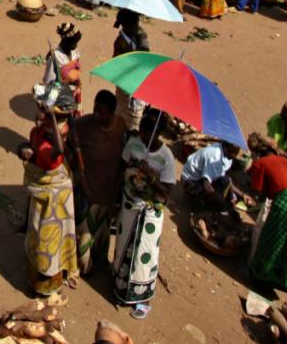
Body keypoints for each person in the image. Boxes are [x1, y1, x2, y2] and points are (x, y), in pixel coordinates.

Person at [113, 108, 175, 318]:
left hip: (150, 213)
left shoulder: (166, 157)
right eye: (142, 130)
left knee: (144, 254)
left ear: (159, 133)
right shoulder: (134, 144)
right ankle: (120, 286)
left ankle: (142, 298)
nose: (144, 136)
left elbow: (167, 194)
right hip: (129, 205)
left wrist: (151, 175)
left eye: (149, 132)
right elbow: (121, 167)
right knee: (123, 245)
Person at [18, 82, 79, 296]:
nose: (40, 110)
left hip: (53, 195)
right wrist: (26, 151)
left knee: (48, 241)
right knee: (37, 234)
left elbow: (57, 154)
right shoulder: (43, 129)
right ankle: (37, 278)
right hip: (41, 190)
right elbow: (35, 148)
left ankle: (46, 285)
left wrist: (51, 119)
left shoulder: (59, 134)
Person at [72, 90, 126, 275]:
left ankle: (99, 264)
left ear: (112, 113)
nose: (96, 115)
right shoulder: (82, 126)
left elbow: (122, 163)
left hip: (108, 195)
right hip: (87, 193)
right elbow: (70, 148)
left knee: (101, 238)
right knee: (84, 239)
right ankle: (82, 268)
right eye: (95, 109)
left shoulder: (121, 127)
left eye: (101, 112)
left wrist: (115, 198)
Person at [246, 152, 287, 292]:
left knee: (271, 241)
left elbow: (258, 191)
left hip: (286, 205)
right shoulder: (285, 161)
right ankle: (285, 281)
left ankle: (262, 280)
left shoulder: (259, 163)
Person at [112, 9, 149, 131]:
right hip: (126, 89)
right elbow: (120, 68)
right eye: (136, 22)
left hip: (135, 86)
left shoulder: (136, 37)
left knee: (131, 119)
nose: (138, 25)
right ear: (127, 25)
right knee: (129, 121)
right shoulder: (120, 43)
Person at [182, 142, 242, 210]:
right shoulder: (215, 156)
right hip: (190, 182)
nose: (234, 156)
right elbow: (206, 183)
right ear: (226, 148)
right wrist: (220, 202)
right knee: (214, 205)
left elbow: (224, 178)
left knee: (225, 180)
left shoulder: (225, 154)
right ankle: (198, 207)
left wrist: (242, 195)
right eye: (233, 153)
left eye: (236, 154)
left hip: (200, 179)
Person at [43, 22, 83, 114]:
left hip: (74, 92)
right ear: (66, 42)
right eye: (74, 43)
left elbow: (76, 66)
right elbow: (48, 82)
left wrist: (77, 80)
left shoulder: (74, 51)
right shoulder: (55, 57)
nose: (76, 45)